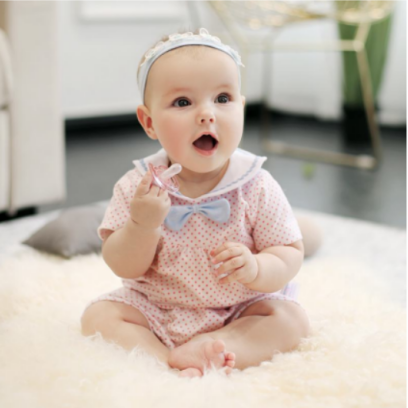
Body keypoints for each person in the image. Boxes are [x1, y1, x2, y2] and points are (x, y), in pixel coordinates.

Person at [81, 28, 310, 378]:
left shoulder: (256, 184)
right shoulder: (137, 187)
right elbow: (123, 266)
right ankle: (165, 360)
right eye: (183, 103)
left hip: (239, 310)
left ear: (241, 108)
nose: (207, 114)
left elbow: (288, 253)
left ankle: (220, 345)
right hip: (156, 309)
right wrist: (142, 225)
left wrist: (257, 267)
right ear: (149, 122)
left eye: (222, 98)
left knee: (291, 320)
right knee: (98, 316)